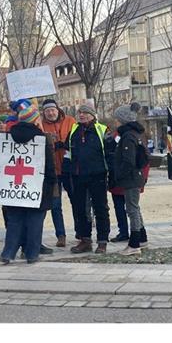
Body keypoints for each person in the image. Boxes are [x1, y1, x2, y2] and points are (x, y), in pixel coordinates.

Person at [0, 100, 57, 264]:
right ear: (35, 120)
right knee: (35, 220)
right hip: (37, 186)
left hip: (14, 186)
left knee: (14, 220)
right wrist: (52, 182)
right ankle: (32, 254)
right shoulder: (41, 139)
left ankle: (8, 253)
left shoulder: (8, 137)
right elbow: (49, 164)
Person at [66, 104, 110, 254]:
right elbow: (67, 151)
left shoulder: (102, 130)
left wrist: (110, 173)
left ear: (92, 115)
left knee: (100, 208)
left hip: (98, 175)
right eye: (80, 112)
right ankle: (85, 240)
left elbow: (109, 153)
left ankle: (102, 241)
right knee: (81, 209)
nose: (82, 115)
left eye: (85, 112)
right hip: (78, 176)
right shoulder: (74, 130)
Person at [114, 103, 149, 255]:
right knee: (135, 208)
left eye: (117, 119)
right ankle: (142, 238)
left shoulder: (128, 136)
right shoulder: (136, 134)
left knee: (132, 210)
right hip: (136, 176)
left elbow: (128, 160)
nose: (115, 122)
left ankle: (134, 244)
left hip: (131, 178)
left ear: (123, 120)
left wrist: (119, 174)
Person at [40, 98, 76, 247]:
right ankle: (61, 235)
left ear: (57, 109)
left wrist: (65, 144)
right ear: (44, 113)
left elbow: (77, 139)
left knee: (76, 201)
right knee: (55, 205)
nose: (50, 113)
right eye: (47, 111)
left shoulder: (70, 121)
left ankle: (81, 232)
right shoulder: (41, 125)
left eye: (52, 110)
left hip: (69, 170)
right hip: (52, 171)